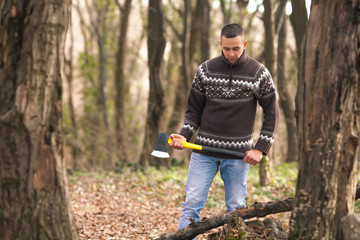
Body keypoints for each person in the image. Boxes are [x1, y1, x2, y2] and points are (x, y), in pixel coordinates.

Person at [169, 23, 280, 232]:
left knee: (237, 209)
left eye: (236, 48)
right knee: (191, 205)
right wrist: (184, 135)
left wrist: (260, 148)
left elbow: (273, 114)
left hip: (238, 155)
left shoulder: (259, 73)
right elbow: (193, 111)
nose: (231, 53)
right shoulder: (205, 70)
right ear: (220, 44)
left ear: (244, 44)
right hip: (203, 152)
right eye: (226, 48)